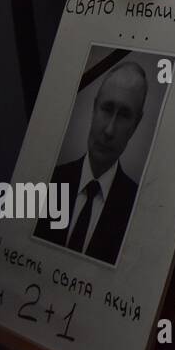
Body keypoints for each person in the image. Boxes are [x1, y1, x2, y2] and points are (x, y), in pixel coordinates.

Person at [34, 60, 146, 265]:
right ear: (94, 109)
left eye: (124, 115)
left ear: (135, 125)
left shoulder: (139, 209)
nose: (109, 130)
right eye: (107, 109)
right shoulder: (47, 181)